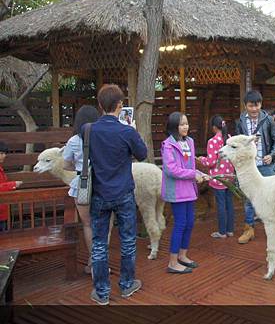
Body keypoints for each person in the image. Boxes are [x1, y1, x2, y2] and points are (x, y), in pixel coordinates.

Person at [88, 84, 148, 305]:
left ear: (100, 105)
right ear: (120, 105)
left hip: (99, 193)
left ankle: (102, 292)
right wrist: (132, 130)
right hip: (123, 193)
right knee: (128, 240)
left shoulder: (89, 130)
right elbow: (142, 155)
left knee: (99, 243)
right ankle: (126, 284)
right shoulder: (127, 131)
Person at [161, 112, 207, 273]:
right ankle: (172, 263)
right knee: (180, 224)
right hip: (177, 191)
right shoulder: (168, 145)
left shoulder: (190, 142)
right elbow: (171, 170)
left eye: (186, 123)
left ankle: (182, 255)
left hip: (190, 190)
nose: (185, 126)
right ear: (174, 126)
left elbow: (191, 166)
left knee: (189, 223)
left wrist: (200, 174)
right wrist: (193, 175)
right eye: (181, 124)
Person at [235, 90, 275, 244]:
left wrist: (271, 155)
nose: (254, 109)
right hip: (250, 167)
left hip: (266, 165)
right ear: (245, 105)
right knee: (248, 199)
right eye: (251, 106)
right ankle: (249, 229)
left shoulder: (268, 120)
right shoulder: (240, 121)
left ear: (261, 104)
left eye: (257, 105)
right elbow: (238, 144)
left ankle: (274, 227)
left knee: (271, 196)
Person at [62, 105, 100, 274]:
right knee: (104, 224)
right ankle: (102, 261)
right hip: (102, 184)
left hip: (82, 185)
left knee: (88, 224)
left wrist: (80, 167)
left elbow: (66, 165)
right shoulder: (103, 138)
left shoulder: (74, 141)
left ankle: (93, 262)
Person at [198, 115, 236, 239]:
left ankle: (222, 232)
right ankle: (230, 230)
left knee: (221, 204)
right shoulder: (229, 139)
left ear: (214, 127)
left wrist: (201, 159)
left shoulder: (212, 141)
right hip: (230, 176)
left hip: (218, 178)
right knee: (229, 203)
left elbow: (211, 162)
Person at [0, 141, 23, 231]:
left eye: (4, 153)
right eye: (1, 153)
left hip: (2, 211)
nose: (4, 156)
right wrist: (13, 185)